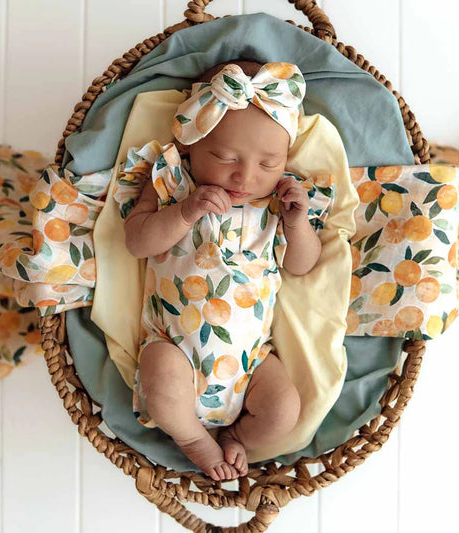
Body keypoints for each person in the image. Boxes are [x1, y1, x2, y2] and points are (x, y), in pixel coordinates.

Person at [118, 60, 328, 481]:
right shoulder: (173, 186)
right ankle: (195, 440)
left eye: (268, 164)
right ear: (191, 146)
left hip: (251, 363)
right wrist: (183, 213)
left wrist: (297, 223)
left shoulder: (279, 205)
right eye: (225, 157)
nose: (245, 176)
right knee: (163, 383)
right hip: (173, 345)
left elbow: (302, 265)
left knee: (284, 409)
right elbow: (137, 241)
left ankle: (238, 437)